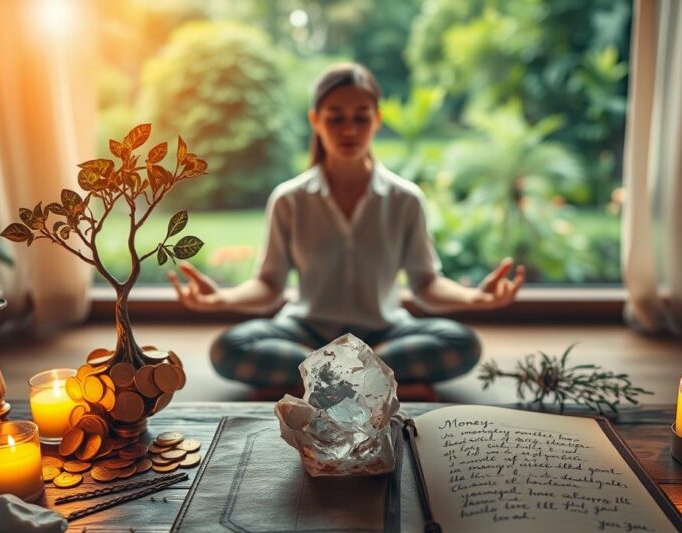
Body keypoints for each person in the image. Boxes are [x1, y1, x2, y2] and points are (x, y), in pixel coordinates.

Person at [168, 62, 525, 391]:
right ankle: (377, 381)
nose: (349, 129)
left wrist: (474, 297)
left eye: (361, 117)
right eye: (336, 118)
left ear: (377, 120)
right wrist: (222, 298)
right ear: (315, 121)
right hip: (305, 333)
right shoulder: (289, 199)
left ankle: (315, 383)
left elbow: (425, 285)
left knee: (461, 344)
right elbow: (270, 286)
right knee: (228, 349)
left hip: (385, 331)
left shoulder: (405, 199)